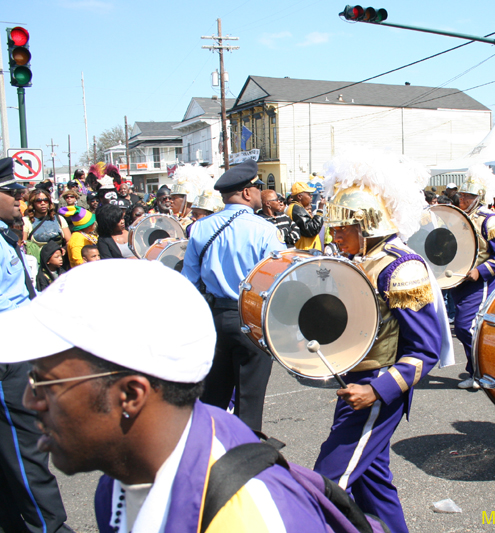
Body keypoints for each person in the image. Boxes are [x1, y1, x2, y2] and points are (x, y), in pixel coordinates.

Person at [0, 259, 340, 532]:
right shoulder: (120, 481)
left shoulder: (246, 518)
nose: (29, 401)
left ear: (131, 395)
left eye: (45, 383)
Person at [315, 150, 452, 533]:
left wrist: (376, 391)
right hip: (357, 384)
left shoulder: (401, 267)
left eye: (342, 228)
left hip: (376, 390)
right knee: (373, 485)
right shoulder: (366, 256)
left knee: (326, 485)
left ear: (367, 222)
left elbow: (425, 350)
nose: (334, 236)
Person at [182, 160, 285, 431]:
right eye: (257, 188)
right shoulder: (265, 229)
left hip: (213, 318)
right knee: (249, 403)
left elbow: (189, 280)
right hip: (252, 319)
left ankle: (207, 450)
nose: (261, 193)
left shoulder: (200, 227)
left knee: (211, 401)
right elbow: (279, 279)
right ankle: (246, 452)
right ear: (247, 192)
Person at [0, 158, 73, 533]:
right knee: (24, 448)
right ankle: (50, 528)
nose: (20, 197)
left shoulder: (5, 234)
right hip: (7, 355)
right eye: (11, 191)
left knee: (11, 451)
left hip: (19, 347)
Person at [452, 165, 495, 389]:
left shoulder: (491, 220)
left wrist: (479, 271)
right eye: (462, 195)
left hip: (481, 282)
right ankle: (478, 371)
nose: (462, 199)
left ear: (478, 197)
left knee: (465, 326)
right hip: (460, 281)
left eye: (467, 196)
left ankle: (484, 370)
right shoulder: (458, 217)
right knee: (469, 328)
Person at [22, 188, 72, 263]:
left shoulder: (59, 219)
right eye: (39, 201)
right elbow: (23, 245)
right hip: (38, 261)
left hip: (58, 261)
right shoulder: (26, 221)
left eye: (45, 200)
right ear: (33, 203)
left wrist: (64, 249)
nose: (43, 203)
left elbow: (69, 241)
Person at [286, 181, 324, 251]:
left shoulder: (296, 207)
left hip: (307, 250)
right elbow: (312, 229)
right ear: (299, 196)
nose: (311, 196)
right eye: (309, 194)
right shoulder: (296, 209)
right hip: (305, 251)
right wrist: (320, 210)